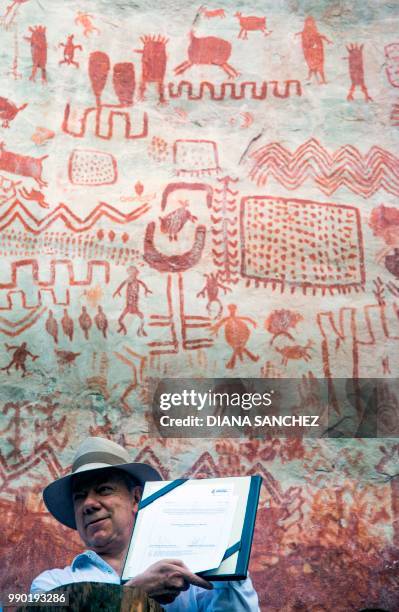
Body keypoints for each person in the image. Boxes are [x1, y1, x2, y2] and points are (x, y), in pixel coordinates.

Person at [31, 437, 260, 610]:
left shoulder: (187, 573)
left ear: (136, 499)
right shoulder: (53, 583)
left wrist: (228, 560)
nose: (89, 503)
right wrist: (135, 593)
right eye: (79, 497)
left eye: (103, 490)